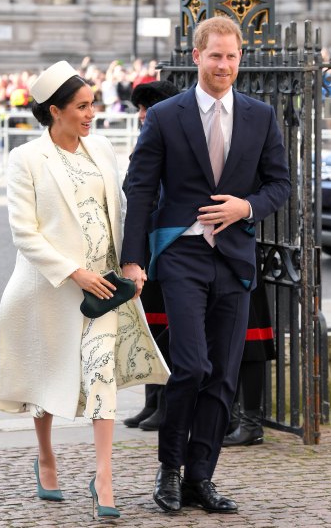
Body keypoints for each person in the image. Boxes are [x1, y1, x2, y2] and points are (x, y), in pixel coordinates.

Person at [121, 16, 291, 514]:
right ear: (197, 57)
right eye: (214, 55)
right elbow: (140, 187)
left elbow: (278, 184)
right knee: (191, 364)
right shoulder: (167, 116)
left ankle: (200, 477)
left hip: (234, 256)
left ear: (241, 59)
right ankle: (169, 471)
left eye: (231, 56)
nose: (223, 65)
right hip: (182, 253)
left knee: (223, 373)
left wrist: (247, 207)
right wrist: (133, 260)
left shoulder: (261, 116)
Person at [0, 60, 169, 519]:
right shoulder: (26, 159)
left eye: (93, 104)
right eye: (82, 106)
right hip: (47, 290)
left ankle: (103, 476)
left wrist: (132, 263)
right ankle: (46, 457)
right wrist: (73, 272)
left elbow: (125, 210)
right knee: (45, 381)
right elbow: (25, 234)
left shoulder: (103, 148)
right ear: (55, 111)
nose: (92, 114)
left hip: (103, 290)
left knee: (101, 374)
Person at [123, 80, 180, 431]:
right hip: (145, 242)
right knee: (150, 326)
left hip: (167, 240)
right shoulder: (149, 137)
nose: (142, 115)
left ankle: (166, 403)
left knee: (169, 330)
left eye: (147, 107)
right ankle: (152, 401)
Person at [223, 246, 276, 447]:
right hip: (216, 256)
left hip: (241, 256)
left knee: (251, 339)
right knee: (227, 342)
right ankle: (231, 417)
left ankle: (251, 425)